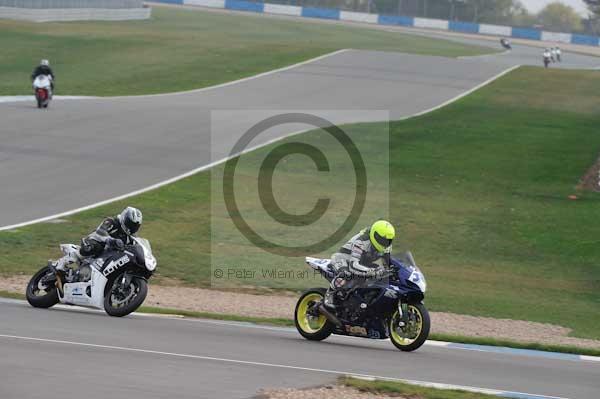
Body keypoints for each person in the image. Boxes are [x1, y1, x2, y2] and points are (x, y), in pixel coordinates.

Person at [323, 220, 396, 310]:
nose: (385, 242)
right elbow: (353, 266)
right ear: (375, 235)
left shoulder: (387, 247)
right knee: (346, 273)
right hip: (343, 259)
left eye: (388, 240)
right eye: (382, 239)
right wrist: (372, 271)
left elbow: (388, 264)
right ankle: (329, 294)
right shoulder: (362, 241)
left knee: (381, 275)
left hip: (362, 263)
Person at [51, 207, 143, 271]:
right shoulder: (111, 222)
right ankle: (61, 263)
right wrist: (110, 240)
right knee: (94, 247)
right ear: (124, 217)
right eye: (130, 223)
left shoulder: (129, 238)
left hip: (107, 256)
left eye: (135, 226)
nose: (132, 227)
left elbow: (134, 248)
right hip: (93, 242)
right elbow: (100, 232)